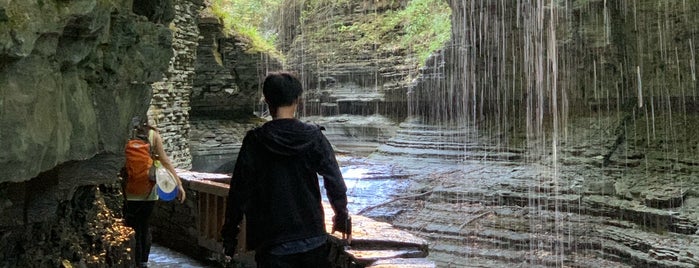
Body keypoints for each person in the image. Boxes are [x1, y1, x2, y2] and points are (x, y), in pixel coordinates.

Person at [221, 72, 351, 267]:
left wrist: (230, 236)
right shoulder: (313, 137)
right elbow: (334, 179)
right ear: (297, 100)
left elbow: (239, 192)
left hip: (272, 241)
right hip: (312, 236)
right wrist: (341, 215)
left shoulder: (255, 141)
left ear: (266, 101)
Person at [122, 117, 186, 268]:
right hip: (148, 191)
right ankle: (143, 262)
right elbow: (165, 161)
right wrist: (179, 184)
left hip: (128, 190)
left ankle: (133, 261)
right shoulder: (152, 135)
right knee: (144, 226)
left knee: (131, 227)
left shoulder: (123, 134)